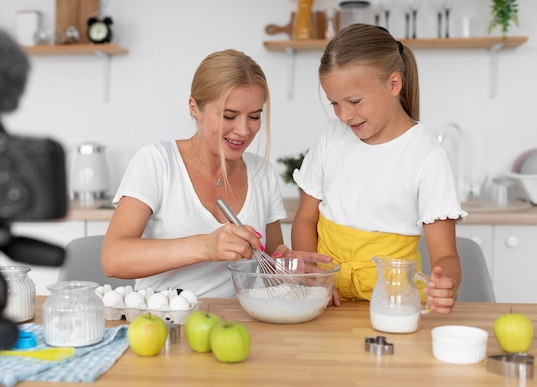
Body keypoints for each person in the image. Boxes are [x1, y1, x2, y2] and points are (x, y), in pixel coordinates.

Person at [292, 24, 467, 314]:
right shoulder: (331, 136)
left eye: (355, 101)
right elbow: (305, 220)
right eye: (334, 103)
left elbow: (446, 256)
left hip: (392, 305)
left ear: (394, 84)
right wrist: (316, 279)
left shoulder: (426, 157)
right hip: (327, 302)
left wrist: (446, 282)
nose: (344, 115)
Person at [101, 49, 291, 298]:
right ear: (194, 108)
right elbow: (113, 258)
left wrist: (290, 266)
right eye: (229, 116)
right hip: (164, 325)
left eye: (254, 116)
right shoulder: (157, 161)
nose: (244, 130)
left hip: (239, 327)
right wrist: (205, 246)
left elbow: (271, 266)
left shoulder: (261, 172)